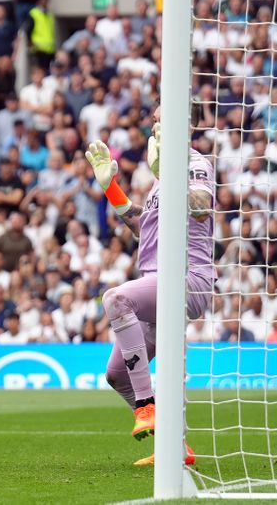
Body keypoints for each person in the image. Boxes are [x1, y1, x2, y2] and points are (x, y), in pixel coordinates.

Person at [85, 105, 212, 466]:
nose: (157, 122)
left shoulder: (195, 163)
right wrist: (111, 188)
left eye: (164, 115)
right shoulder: (160, 176)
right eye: (155, 117)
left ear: (187, 123)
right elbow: (145, 230)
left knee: (115, 299)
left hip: (188, 279)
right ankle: (176, 446)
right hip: (156, 282)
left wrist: (169, 175)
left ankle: (146, 406)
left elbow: (201, 208)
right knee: (115, 374)